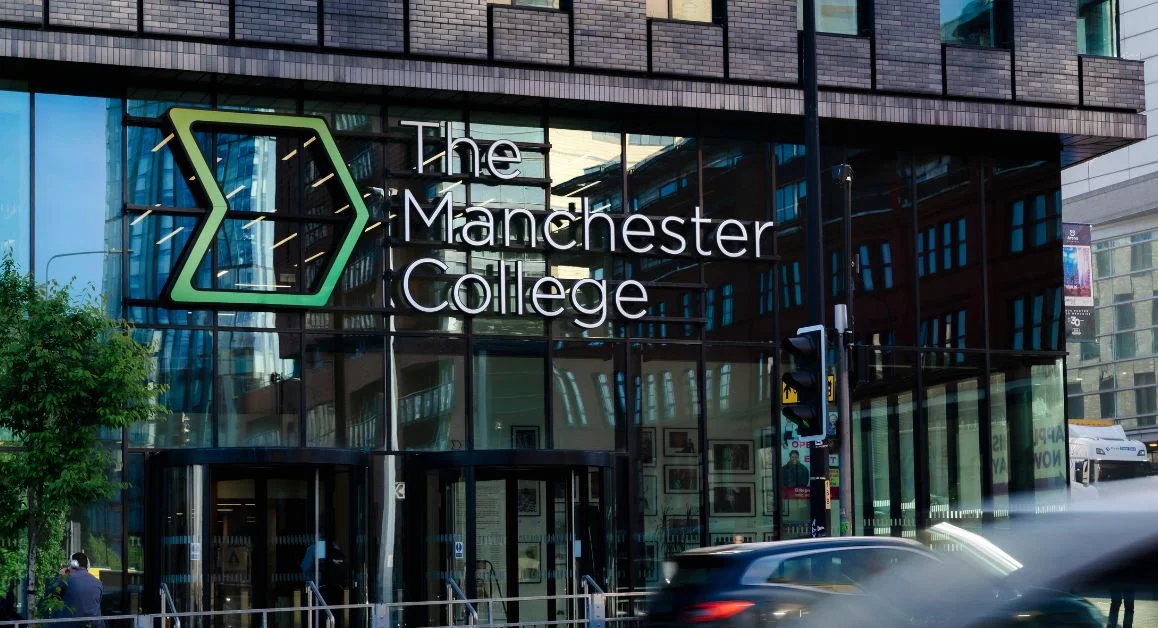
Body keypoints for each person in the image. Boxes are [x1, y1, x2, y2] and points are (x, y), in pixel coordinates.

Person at [56, 553, 105, 628]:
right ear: (87, 566)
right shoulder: (98, 582)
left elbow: (49, 592)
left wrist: (60, 576)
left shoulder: (66, 579)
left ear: (72, 565)